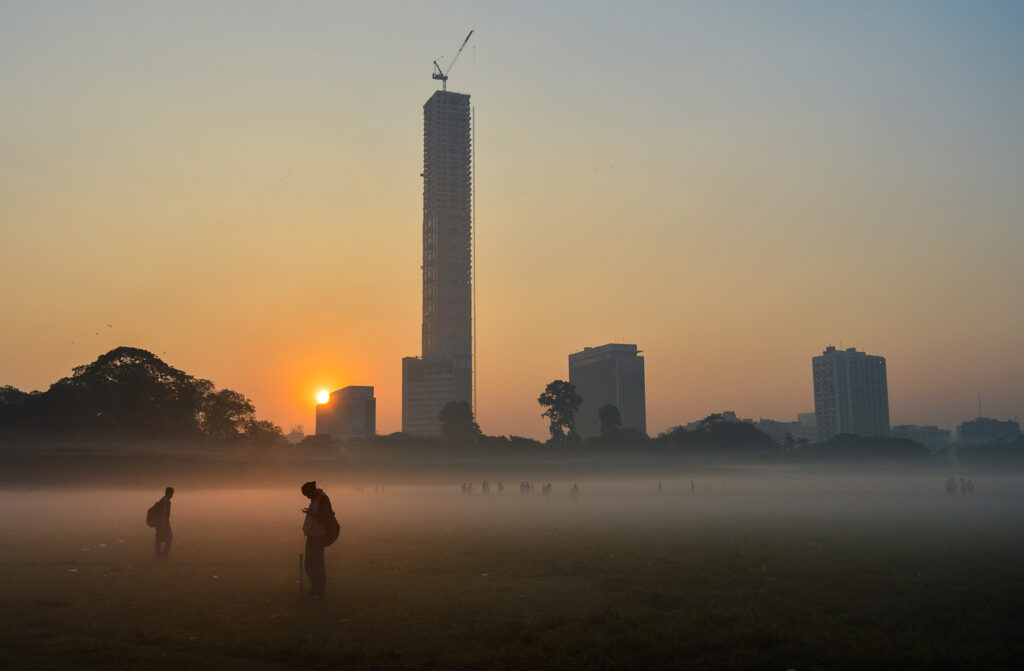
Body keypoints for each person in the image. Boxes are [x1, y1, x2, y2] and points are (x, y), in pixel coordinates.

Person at [301, 480, 334, 599]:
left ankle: (318, 591)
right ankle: (315, 589)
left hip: (318, 535)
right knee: (310, 564)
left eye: (307, 495)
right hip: (312, 534)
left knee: (316, 564)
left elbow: (326, 518)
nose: (307, 497)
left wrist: (312, 514)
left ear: (312, 491)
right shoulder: (316, 499)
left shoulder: (323, 499)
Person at [154, 486, 173, 559]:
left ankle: (159, 555)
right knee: (169, 537)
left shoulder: (162, 500)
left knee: (159, 538)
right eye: (171, 493)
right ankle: (164, 554)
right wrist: (163, 524)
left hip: (159, 522)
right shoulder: (165, 501)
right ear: (168, 493)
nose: (172, 495)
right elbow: (163, 513)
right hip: (163, 522)